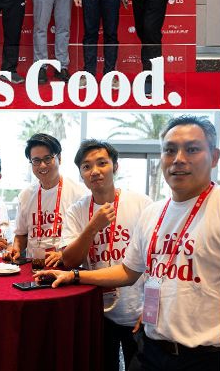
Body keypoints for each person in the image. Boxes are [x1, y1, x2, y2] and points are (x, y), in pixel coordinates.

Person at [37, 116, 220, 370]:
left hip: (203, 354)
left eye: (192, 149)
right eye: (169, 150)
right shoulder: (155, 212)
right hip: (146, 339)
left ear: (214, 157)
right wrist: (74, 274)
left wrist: (144, 312)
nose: (179, 158)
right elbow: (132, 270)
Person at [60, 139, 152, 371]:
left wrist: (152, 309)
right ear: (81, 174)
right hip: (97, 312)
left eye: (102, 163)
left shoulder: (141, 204)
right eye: (86, 167)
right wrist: (93, 226)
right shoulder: (76, 211)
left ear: (115, 166)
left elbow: (157, 261)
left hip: (138, 311)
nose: (95, 171)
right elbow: (70, 261)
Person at [8, 133, 86, 266]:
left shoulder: (80, 193)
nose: (42, 165)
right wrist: (15, 248)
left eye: (48, 159)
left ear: (59, 158)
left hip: (66, 266)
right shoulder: (25, 195)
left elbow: (86, 237)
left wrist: (63, 254)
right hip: (34, 266)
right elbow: (21, 235)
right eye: (36, 161)